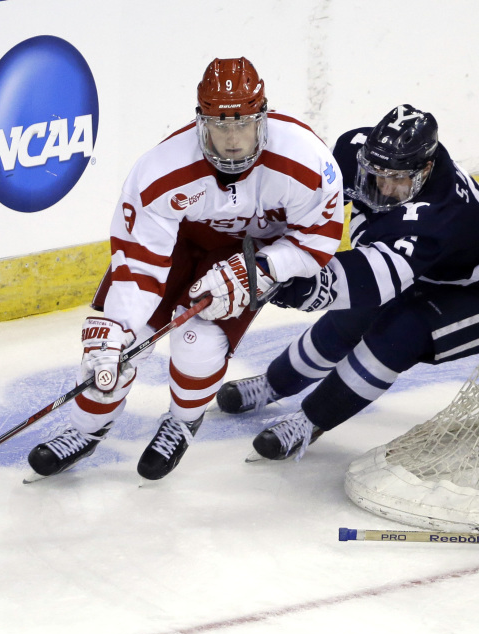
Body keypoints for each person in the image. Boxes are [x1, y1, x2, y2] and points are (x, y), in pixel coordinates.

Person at [25, 57, 343, 482]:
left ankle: (182, 421)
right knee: (114, 346)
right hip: (175, 249)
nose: (232, 139)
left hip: (246, 256)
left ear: (262, 118)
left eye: (243, 123)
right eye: (219, 125)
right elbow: (140, 260)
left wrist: (264, 268)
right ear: (201, 122)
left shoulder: (306, 162)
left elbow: (317, 238)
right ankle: (85, 429)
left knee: (197, 342)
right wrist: (117, 327)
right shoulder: (162, 170)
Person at [215, 103, 479, 460]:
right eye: (376, 172)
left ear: (426, 169)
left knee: (399, 332)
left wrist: (307, 285)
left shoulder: (441, 216)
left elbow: (375, 277)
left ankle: (310, 421)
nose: (383, 185)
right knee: (351, 317)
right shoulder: (357, 151)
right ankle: (273, 384)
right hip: (431, 268)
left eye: (397, 178)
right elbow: (312, 201)